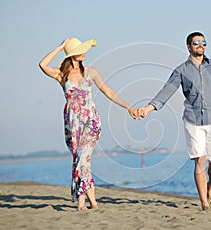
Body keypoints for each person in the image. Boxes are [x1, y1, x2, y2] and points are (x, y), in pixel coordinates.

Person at [138, 32, 211, 210]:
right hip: (192, 121)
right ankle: (204, 204)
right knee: (200, 160)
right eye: (197, 42)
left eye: (203, 42)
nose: (201, 45)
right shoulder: (181, 70)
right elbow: (166, 91)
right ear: (189, 46)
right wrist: (148, 108)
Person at [39, 37, 138, 211]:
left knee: (82, 157)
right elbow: (42, 65)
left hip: (91, 122)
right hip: (72, 125)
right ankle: (94, 202)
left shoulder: (90, 71)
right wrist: (60, 47)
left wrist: (128, 107)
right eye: (80, 50)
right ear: (72, 54)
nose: (84, 52)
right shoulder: (62, 75)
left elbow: (108, 91)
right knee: (82, 161)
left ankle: (81, 201)